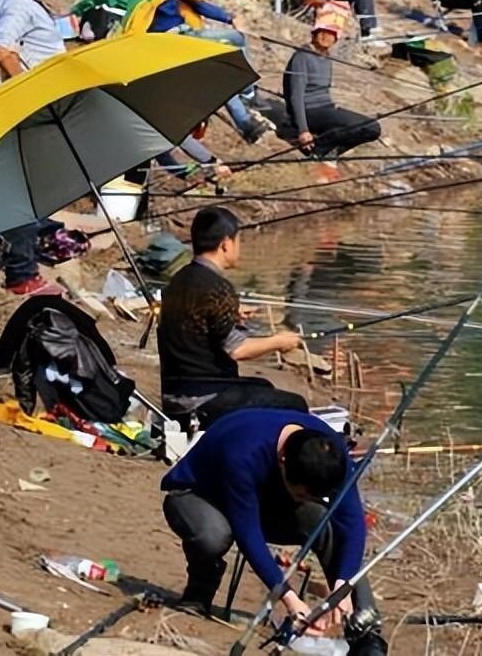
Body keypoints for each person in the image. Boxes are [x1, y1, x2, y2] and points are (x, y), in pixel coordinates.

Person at [161, 408, 388, 656]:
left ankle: (365, 628)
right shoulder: (243, 453)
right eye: (301, 493)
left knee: (323, 521)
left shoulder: (331, 452)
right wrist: (290, 599)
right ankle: (199, 591)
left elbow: (352, 523)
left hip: (263, 499)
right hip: (199, 495)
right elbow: (249, 535)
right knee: (213, 534)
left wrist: (343, 584)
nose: (305, 499)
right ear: (282, 462)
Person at [158, 207, 308, 426]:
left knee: (263, 386)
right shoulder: (218, 287)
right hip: (203, 399)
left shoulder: (179, 278)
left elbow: (195, 319)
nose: (239, 247)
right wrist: (280, 341)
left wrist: (231, 315)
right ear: (226, 244)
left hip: (173, 393)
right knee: (296, 405)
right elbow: (238, 350)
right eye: (239, 241)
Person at [115, 0, 273, 144]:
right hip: (169, 43)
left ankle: (247, 93)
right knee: (217, 74)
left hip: (187, 32)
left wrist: (229, 17)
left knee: (236, 40)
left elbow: (198, 4)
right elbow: (135, 22)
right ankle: (246, 114)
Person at [0, 0, 67, 297]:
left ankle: (33, 247)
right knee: (24, 187)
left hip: (38, 104)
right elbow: (2, 47)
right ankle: (21, 272)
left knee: (33, 183)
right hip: (29, 107)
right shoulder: (19, 2)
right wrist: (27, 88)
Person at [280, 10, 382, 179]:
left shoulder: (326, 58)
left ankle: (328, 149)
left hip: (327, 108)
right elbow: (295, 96)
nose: (327, 37)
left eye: (332, 33)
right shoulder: (302, 56)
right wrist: (303, 130)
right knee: (360, 126)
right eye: (323, 32)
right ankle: (318, 149)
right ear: (315, 33)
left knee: (372, 128)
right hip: (310, 110)